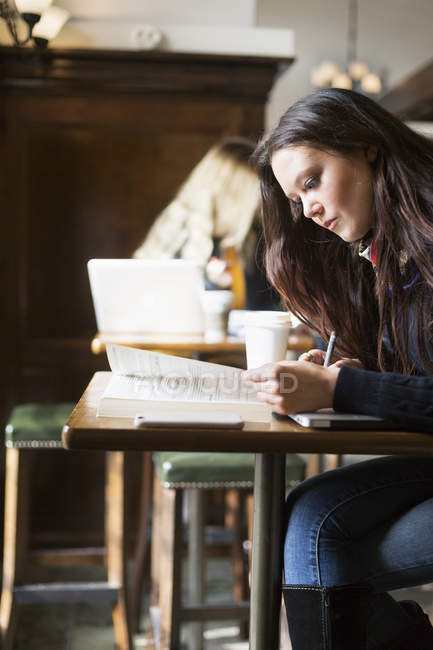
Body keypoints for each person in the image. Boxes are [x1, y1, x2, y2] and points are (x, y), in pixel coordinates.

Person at [241, 88, 433, 649]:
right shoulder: (393, 253)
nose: (309, 210)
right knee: (306, 509)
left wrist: (344, 387)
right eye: (297, 199)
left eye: (312, 181)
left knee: (314, 539)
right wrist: (356, 371)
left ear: (367, 149)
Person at [133, 137, 280, 310]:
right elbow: (159, 302)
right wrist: (211, 285)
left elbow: (266, 306)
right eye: (255, 196)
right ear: (231, 195)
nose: (259, 205)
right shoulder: (177, 230)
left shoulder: (253, 237)